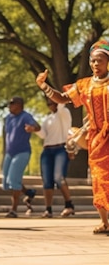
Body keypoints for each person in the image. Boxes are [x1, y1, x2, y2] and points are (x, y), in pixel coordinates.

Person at [35, 39, 109, 234]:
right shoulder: (84, 85)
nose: (95, 64)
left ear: (108, 62)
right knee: (99, 178)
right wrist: (44, 86)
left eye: (99, 60)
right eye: (93, 61)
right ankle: (104, 222)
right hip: (97, 139)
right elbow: (62, 98)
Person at [32, 97, 75, 218]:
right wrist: (35, 129)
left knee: (58, 177)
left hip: (61, 149)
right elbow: (43, 135)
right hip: (47, 150)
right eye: (48, 103)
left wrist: (54, 93)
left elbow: (62, 104)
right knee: (47, 180)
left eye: (52, 102)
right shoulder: (48, 119)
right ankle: (48, 209)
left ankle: (69, 205)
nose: (50, 105)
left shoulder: (64, 113)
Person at [2, 96, 40, 218]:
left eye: (12, 103)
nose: (9, 106)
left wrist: (32, 128)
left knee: (13, 180)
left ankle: (14, 210)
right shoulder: (8, 118)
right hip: (9, 152)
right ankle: (29, 193)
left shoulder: (25, 116)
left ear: (19, 105)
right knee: (6, 182)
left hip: (22, 152)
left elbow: (37, 126)